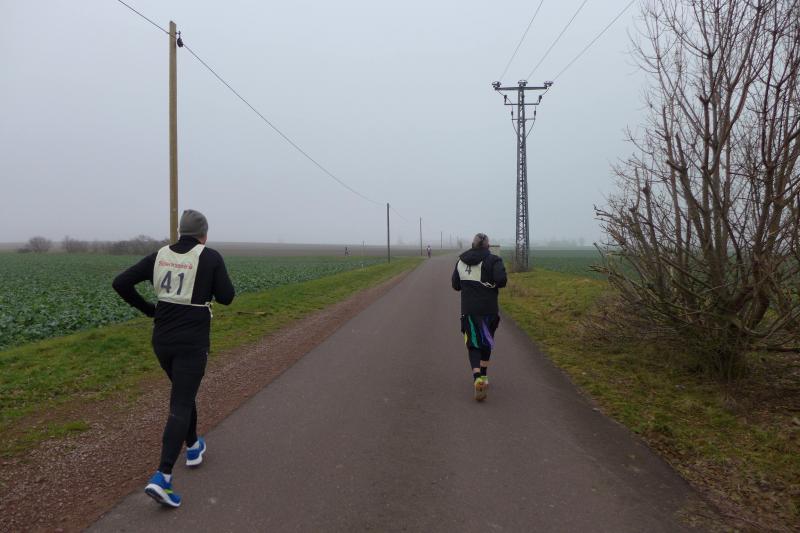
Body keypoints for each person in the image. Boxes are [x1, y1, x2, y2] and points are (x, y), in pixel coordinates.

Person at [112, 209, 235, 508]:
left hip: (162, 341)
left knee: (183, 393)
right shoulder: (210, 257)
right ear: (204, 234)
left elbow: (121, 282)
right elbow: (227, 297)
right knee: (181, 402)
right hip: (191, 342)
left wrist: (149, 310)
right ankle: (163, 477)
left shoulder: (160, 255)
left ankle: (193, 446)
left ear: (181, 232)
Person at [451, 233, 507, 401]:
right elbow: (502, 281)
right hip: (489, 310)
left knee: (473, 343)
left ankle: (477, 378)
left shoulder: (460, 261)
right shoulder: (494, 260)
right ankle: (484, 375)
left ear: (472, 245)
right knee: (486, 341)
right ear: (488, 246)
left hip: (469, 310)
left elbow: (455, 285)